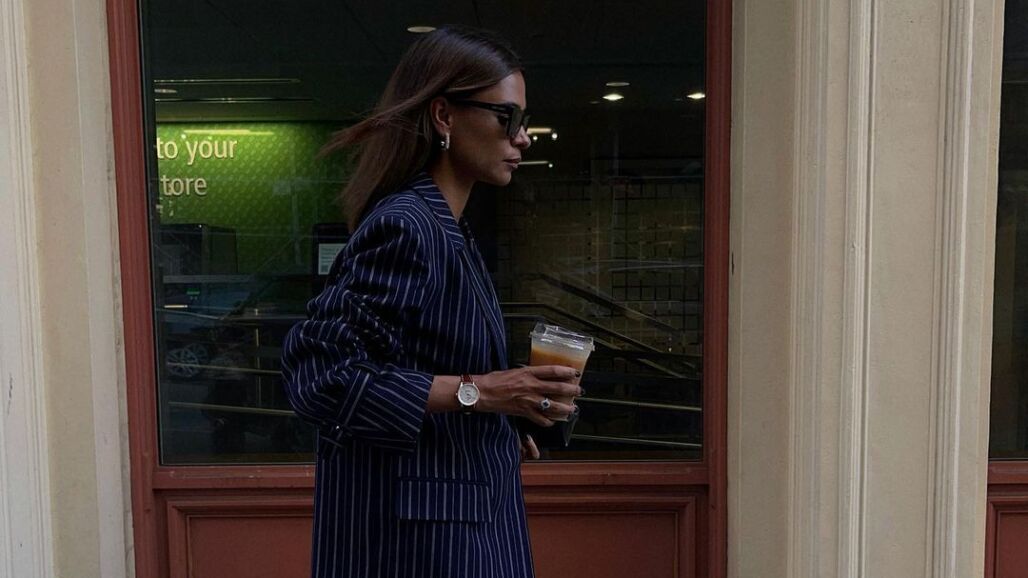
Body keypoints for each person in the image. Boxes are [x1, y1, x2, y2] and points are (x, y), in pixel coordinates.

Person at [280, 25, 582, 578]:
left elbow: (418, 368)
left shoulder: (448, 229)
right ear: (444, 115)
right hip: (419, 546)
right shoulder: (408, 226)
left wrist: (501, 423)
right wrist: (485, 393)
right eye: (508, 117)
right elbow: (321, 374)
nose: (523, 138)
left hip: (461, 520)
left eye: (524, 120)